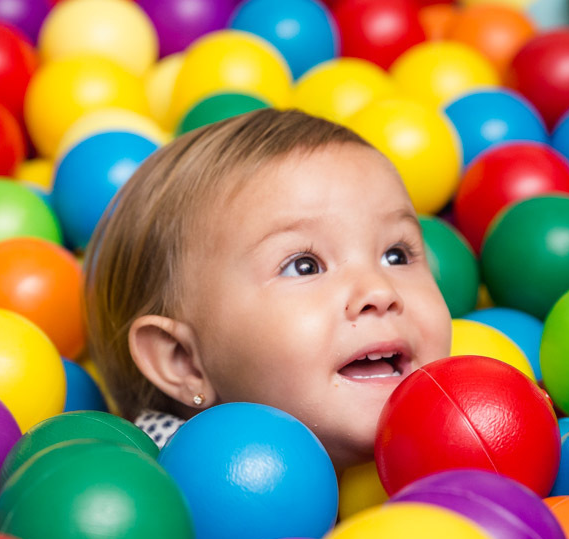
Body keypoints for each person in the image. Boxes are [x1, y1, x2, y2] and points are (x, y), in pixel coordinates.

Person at [83, 108, 452, 471]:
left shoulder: (465, 439)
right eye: (305, 266)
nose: (379, 291)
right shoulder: (160, 482)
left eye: (396, 255)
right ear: (184, 361)